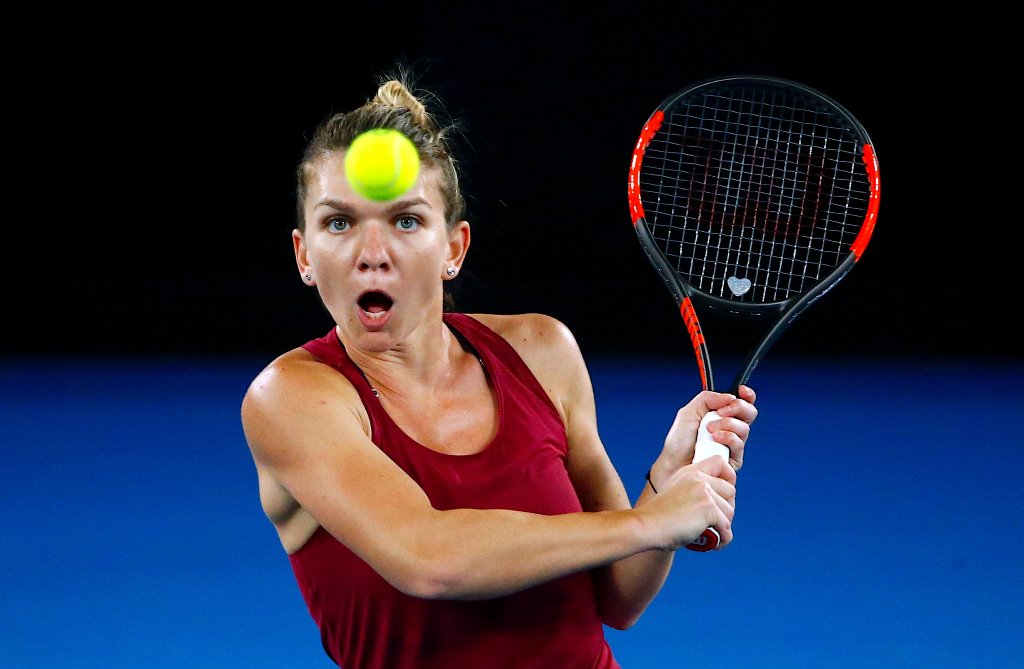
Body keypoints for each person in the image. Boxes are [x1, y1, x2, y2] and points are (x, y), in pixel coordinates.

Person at [240, 71, 758, 669]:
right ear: (304, 256)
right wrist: (649, 521)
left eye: (406, 220)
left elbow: (617, 597)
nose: (372, 253)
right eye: (339, 223)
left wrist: (668, 477)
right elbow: (428, 558)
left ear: (454, 249)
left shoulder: (541, 350)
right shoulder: (292, 400)